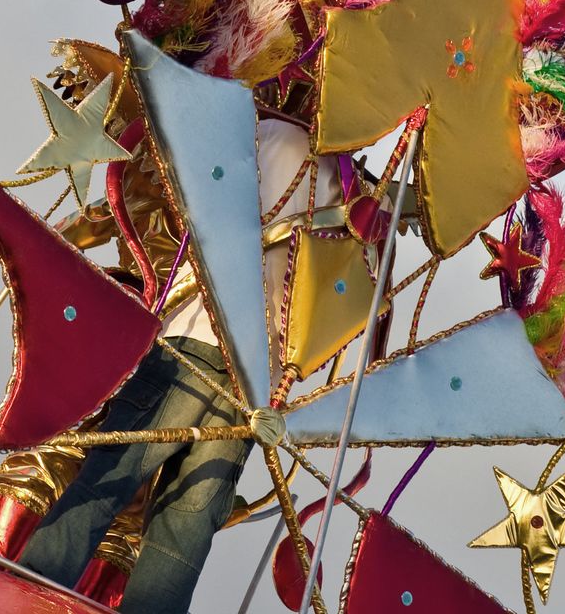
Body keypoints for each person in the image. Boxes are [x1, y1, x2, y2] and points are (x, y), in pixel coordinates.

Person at [18, 113, 336, 612]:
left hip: (196, 343)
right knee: (185, 526)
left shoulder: (271, 135)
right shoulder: (355, 192)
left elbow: (198, 196)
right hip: (257, 382)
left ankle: (23, 593)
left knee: (112, 473)